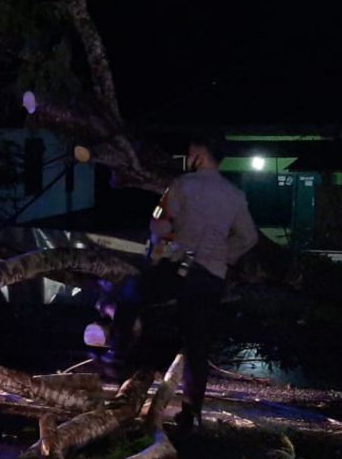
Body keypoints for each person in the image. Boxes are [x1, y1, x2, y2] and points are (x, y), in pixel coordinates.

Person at [110, 128, 258, 431]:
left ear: (199, 156)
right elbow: (249, 237)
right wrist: (223, 256)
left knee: (130, 293)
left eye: (191, 154)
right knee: (197, 345)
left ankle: (119, 362)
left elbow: (159, 224)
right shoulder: (235, 195)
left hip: (179, 272)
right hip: (212, 278)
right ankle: (192, 412)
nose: (188, 159)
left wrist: (167, 239)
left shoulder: (182, 185)